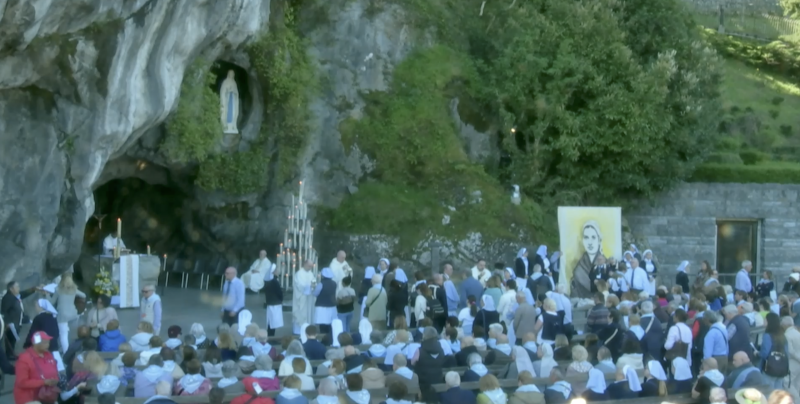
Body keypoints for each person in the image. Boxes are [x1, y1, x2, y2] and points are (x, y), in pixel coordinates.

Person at [14, 331, 60, 404]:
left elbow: (55, 371)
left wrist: (55, 380)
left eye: (48, 342)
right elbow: (22, 382)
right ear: (35, 344)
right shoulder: (24, 359)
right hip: (29, 398)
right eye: (44, 343)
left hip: (47, 395)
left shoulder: (48, 355)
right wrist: (43, 382)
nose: (47, 345)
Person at [49, 271, 86, 353]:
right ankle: (70, 349)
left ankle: (66, 353)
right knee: (72, 334)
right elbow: (84, 295)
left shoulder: (58, 290)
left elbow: (52, 302)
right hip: (73, 314)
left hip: (62, 315)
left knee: (63, 335)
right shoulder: (74, 290)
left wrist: (46, 294)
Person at [571, 221, 605, 298]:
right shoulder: (578, 267)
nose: (590, 242)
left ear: (599, 240)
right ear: (583, 241)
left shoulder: (605, 264)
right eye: (586, 237)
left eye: (593, 237)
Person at [293, 260, 316, 335]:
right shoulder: (299, 273)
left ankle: (307, 330)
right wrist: (308, 286)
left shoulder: (311, 273)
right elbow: (299, 285)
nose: (310, 268)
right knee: (301, 314)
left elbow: (313, 282)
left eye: (311, 266)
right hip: (301, 298)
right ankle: (298, 331)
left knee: (308, 314)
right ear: (304, 264)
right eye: (309, 266)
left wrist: (313, 286)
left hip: (309, 298)